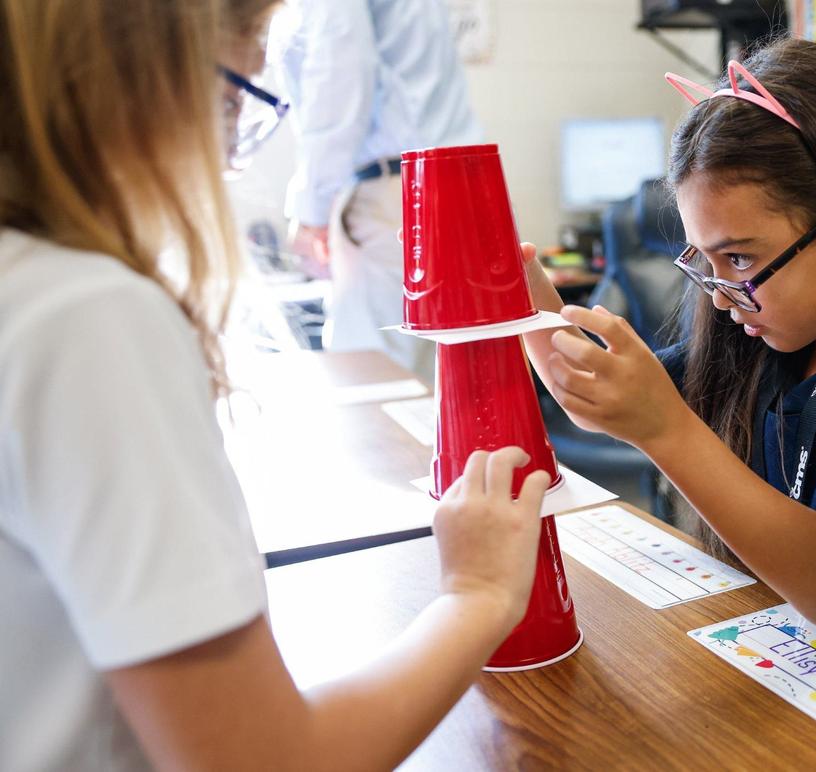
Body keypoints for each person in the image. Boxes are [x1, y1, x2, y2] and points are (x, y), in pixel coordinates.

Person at [0, 2, 547, 769]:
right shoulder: (87, 317)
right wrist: (479, 593)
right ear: (126, 76)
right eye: (231, 99)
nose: (229, 150)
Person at [521, 38, 816, 630]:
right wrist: (517, 282)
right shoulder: (759, 338)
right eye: (703, 260)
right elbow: (589, 394)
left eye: (742, 260)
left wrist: (666, 429)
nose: (721, 295)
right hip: (780, 659)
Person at [283, 0, 483, 381]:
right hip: (461, 179)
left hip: (401, 190)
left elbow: (339, 73)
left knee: (372, 377)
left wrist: (312, 211)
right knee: (447, 386)